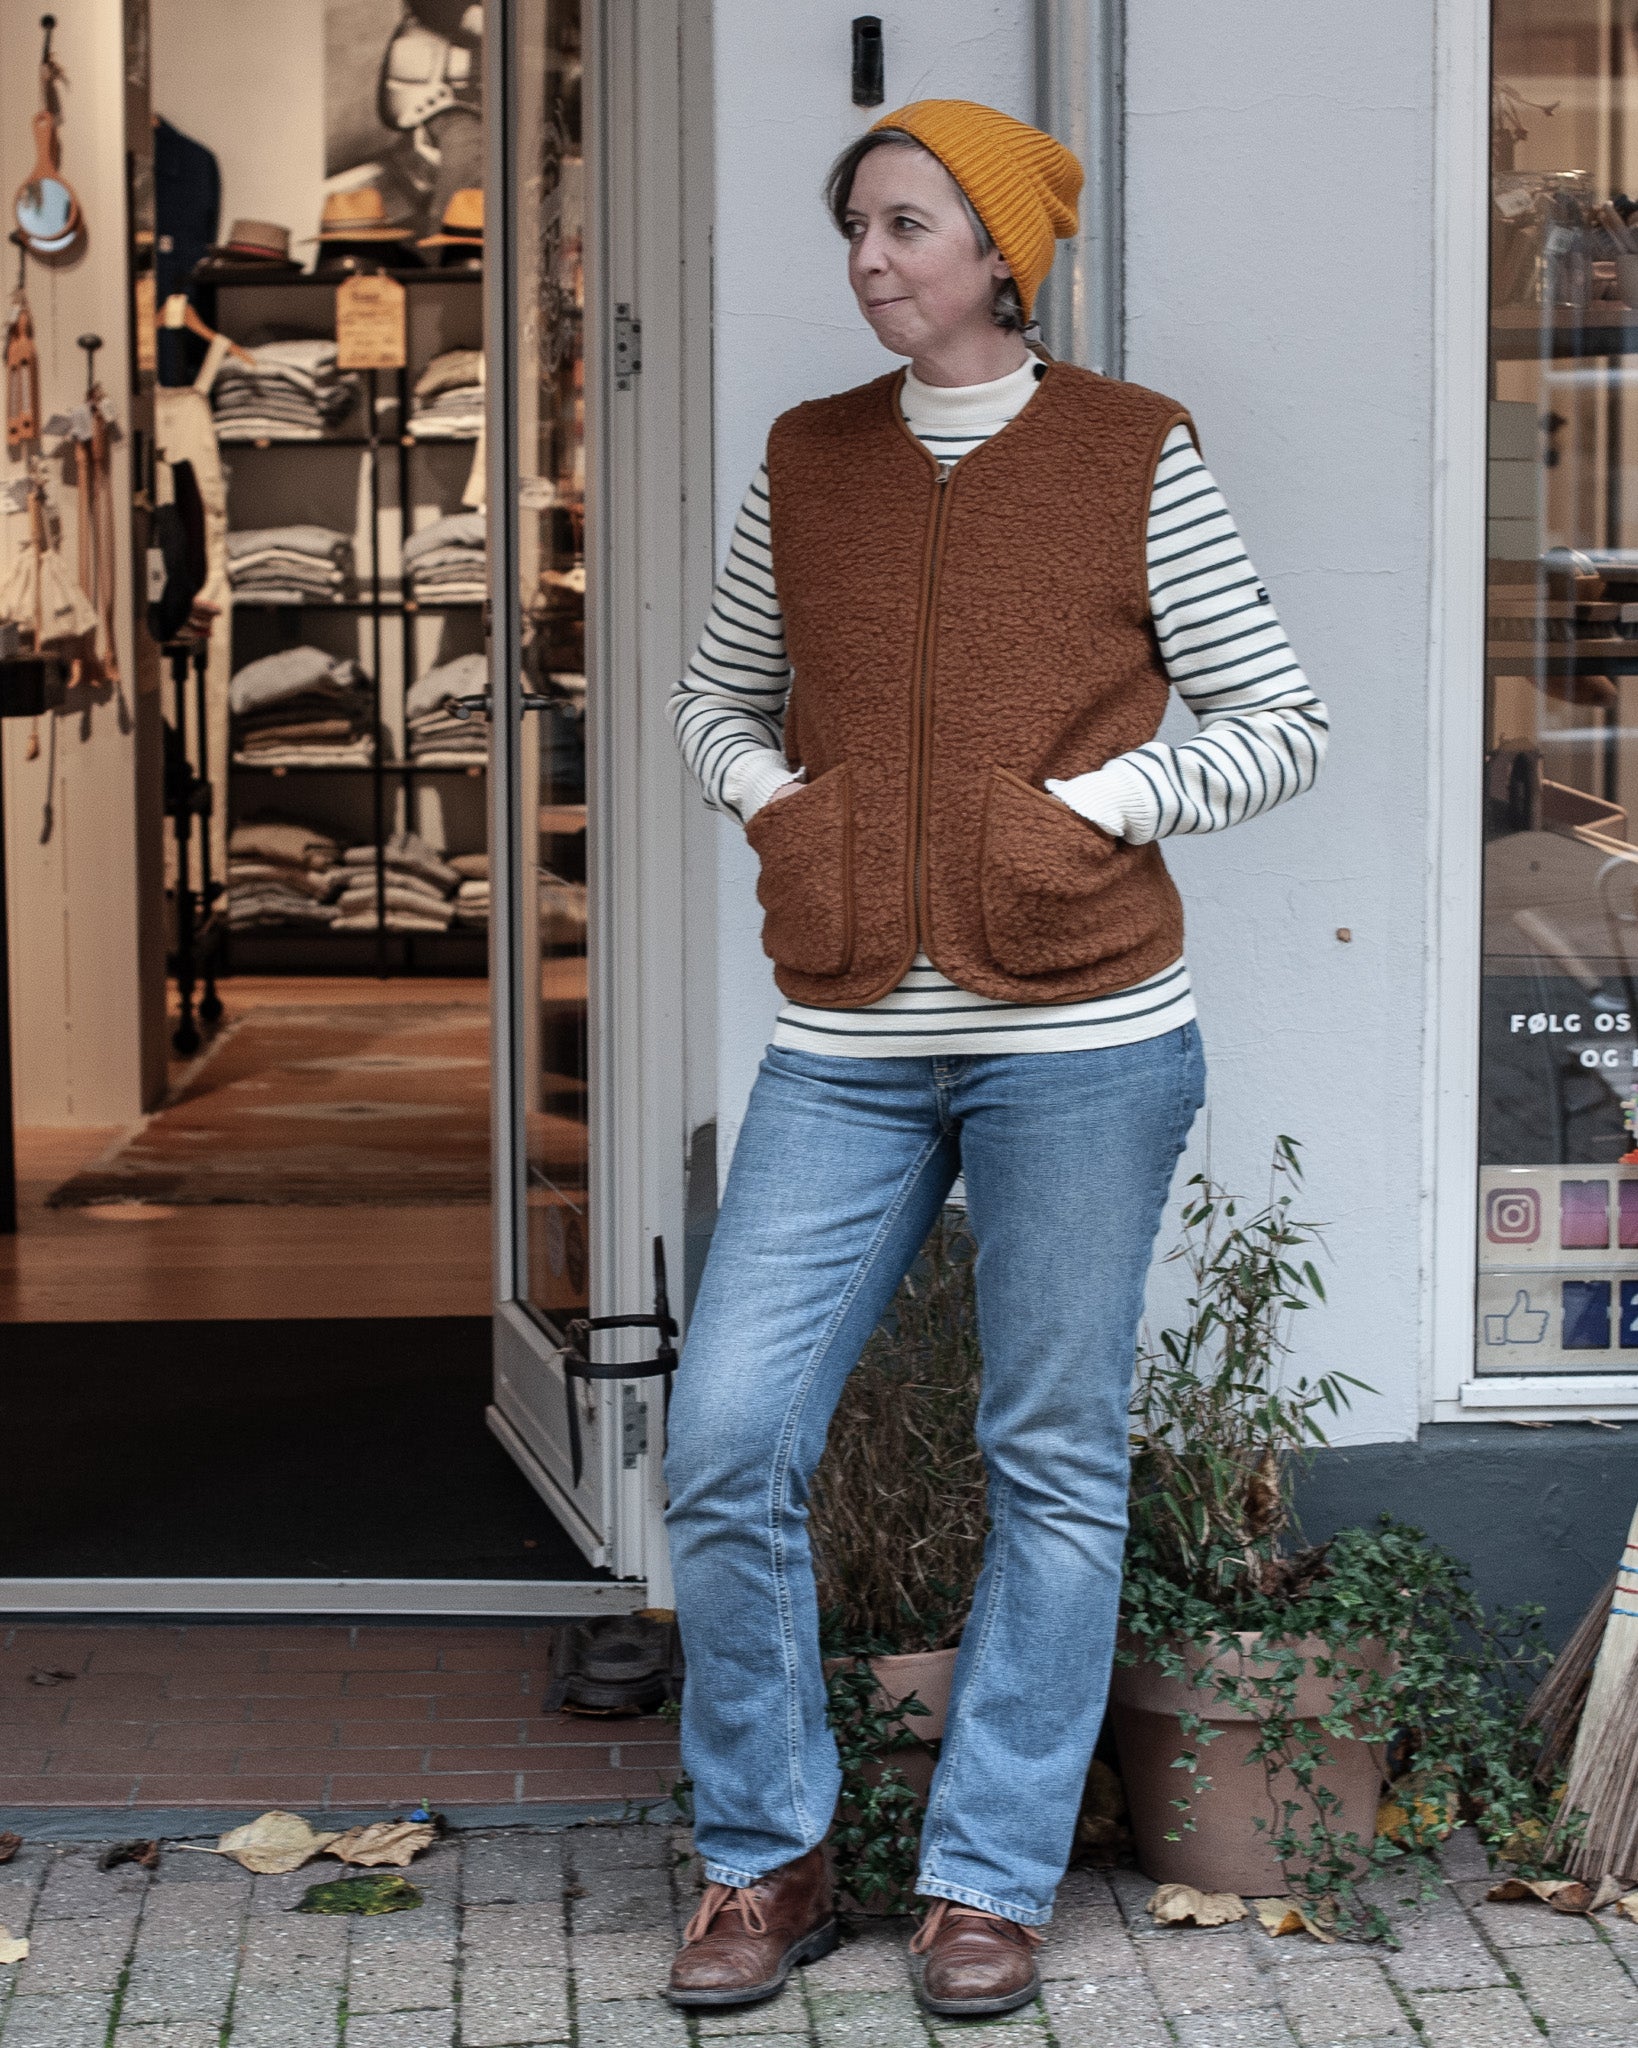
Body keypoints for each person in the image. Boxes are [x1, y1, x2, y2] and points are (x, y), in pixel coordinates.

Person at [662, 98, 1328, 2021]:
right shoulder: (807, 459)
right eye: (855, 227)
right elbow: (715, 698)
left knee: (1048, 1456)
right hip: (845, 1043)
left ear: (1000, 253)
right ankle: (764, 1857)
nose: (868, 259)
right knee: (725, 1437)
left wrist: (1091, 805)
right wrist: (779, 803)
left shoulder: (1132, 448)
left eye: (905, 224)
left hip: (1084, 1042)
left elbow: (1275, 721)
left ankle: (984, 1883)